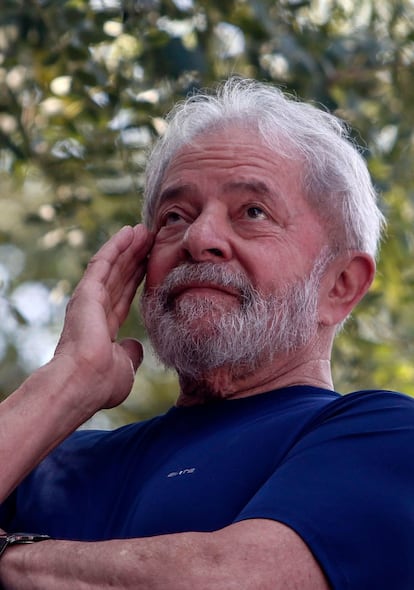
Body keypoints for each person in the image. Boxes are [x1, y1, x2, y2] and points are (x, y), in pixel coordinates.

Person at [0, 77, 413, 590]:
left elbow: (237, 579)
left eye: (253, 212)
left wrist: (9, 557)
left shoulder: (386, 434)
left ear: (340, 285)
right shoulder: (44, 463)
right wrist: (66, 381)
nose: (200, 238)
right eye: (175, 216)